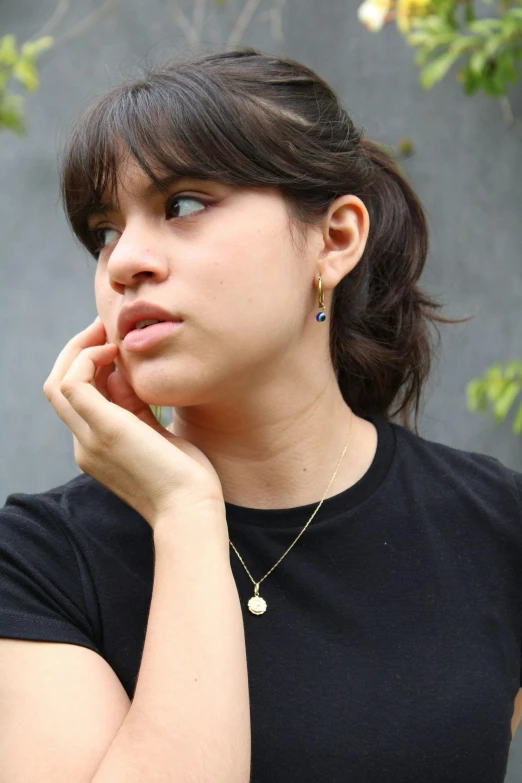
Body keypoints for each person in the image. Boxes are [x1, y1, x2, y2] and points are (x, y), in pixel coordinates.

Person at [0, 46, 521, 783]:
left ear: (335, 238)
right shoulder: (39, 563)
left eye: (182, 205)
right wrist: (184, 512)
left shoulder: (495, 527)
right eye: (104, 230)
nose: (122, 263)